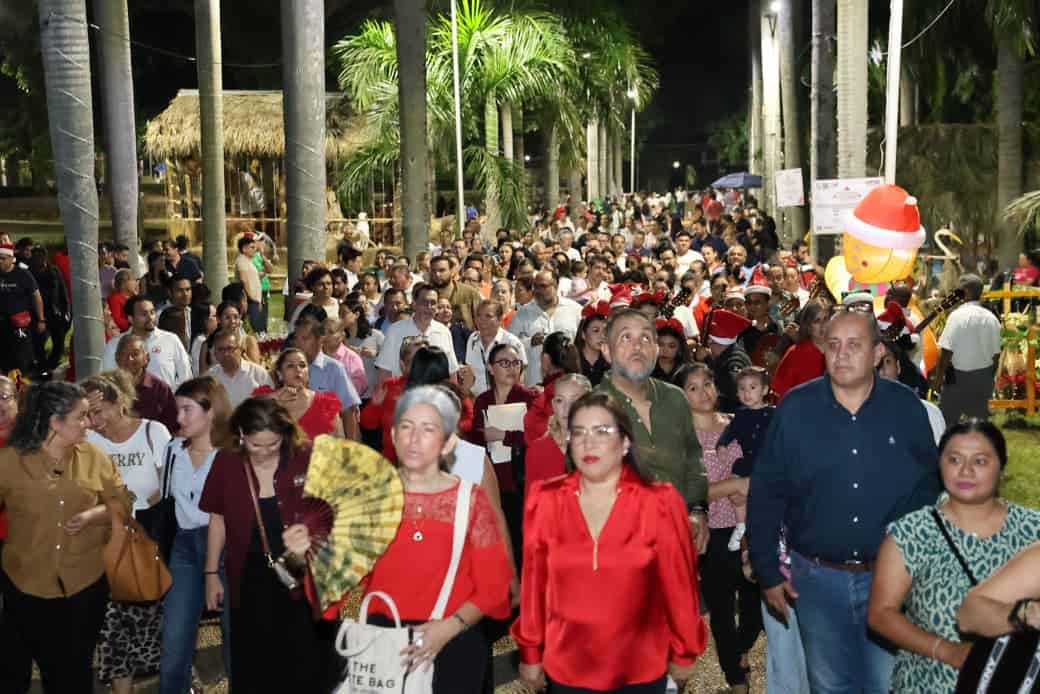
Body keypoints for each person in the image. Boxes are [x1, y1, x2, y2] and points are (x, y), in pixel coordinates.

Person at [748, 310, 942, 693]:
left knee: (888, 683)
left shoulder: (906, 408)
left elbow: (929, 489)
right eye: (833, 344)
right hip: (817, 580)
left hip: (890, 580)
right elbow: (767, 490)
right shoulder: (795, 409)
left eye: (854, 345)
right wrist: (768, 570)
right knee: (830, 685)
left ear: (877, 353)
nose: (841, 354)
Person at [513, 391, 708, 693]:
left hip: (640, 667)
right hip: (568, 667)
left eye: (602, 431)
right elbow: (534, 583)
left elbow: (679, 584)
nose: (588, 443)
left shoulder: (658, 502)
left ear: (625, 442)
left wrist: (685, 650)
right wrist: (530, 650)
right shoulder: (546, 500)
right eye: (579, 432)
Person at [868, 420, 1040, 693]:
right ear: (940, 465)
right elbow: (881, 613)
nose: (966, 470)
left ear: (1002, 469)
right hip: (931, 681)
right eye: (954, 459)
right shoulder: (912, 532)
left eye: (980, 461)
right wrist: (947, 651)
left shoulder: (1033, 529)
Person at [361, 385, 513, 694]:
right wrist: (308, 557)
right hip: (386, 643)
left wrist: (448, 628)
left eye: (428, 429)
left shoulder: (470, 501)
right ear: (393, 435)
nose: (415, 439)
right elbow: (341, 582)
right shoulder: (371, 498)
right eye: (407, 427)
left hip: (454, 641)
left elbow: (494, 586)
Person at [200, 398, 337, 692]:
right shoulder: (227, 461)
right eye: (255, 445)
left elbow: (331, 509)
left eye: (273, 444)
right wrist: (211, 574)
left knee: (305, 656)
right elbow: (217, 518)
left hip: (303, 572)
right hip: (249, 575)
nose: (264, 452)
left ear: (285, 435)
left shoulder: (307, 455)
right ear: (241, 435)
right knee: (257, 657)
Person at [0, 382, 130, 691]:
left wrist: (94, 515)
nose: (89, 423)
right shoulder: (10, 461)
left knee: (73, 674)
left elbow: (123, 504)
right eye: (81, 416)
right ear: (54, 422)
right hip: (26, 586)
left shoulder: (94, 456)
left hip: (84, 587)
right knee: (31, 670)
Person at [82, 372, 172, 694]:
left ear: (119, 402)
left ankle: (180, 680)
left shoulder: (153, 432)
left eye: (98, 411)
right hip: (107, 543)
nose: (94, 421)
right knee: (113, 631)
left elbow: (168, 489)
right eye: (87, 414)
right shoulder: (88, 440)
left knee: (162, 626)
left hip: (149, 543)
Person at [676, 363, 762, 694]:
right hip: (711, 532)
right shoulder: (682, 437)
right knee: (723, 612)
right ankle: (737, 681)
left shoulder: (737, 421)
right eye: (693, 387)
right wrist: (734, 485)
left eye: (707, 383)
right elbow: (687, 491)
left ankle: (740, 651)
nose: (704, 392)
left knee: (755, 606)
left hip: (748, 526)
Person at [594, 309, 710, 552]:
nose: (638, 346)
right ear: (606, 350)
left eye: (646, 338)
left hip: (678, 540)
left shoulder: (675, 398)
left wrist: (697, 510)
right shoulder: (592, 409)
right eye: (626, 337)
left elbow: (693, 457)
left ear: (656, 350)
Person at [158, 376, 232, 694]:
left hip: (229, 549)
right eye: (177, 409)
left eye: (187, 409)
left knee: (235, 642)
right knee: (174, 642)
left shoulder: (232, 453)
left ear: (211, 410)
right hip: (184, 547)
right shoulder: (173, 450)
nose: (179, 418)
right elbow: (164, 499)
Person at [469, 343, 538, 567]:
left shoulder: (530, 398)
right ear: (490, 368)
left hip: (520, 478)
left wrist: (503, 435)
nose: (511, 368)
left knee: (520, 541)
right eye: (504, 363)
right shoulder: (483, 400)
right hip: (492, 478)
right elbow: (474, 438)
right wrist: (483, 434)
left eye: (516, 363)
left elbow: (535, 437)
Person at [717, 366, 775, 551]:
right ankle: (741, 524)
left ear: (764, 390)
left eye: (752, 387)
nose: (747, 393)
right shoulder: (740, 414)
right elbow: (729, 431)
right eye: (742, 388)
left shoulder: (774, 413)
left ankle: (770, 528)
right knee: (734, 487)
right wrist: (722, 445)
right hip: (747, 461)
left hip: (767, 463)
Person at [933, 274, 1001, 424]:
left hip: (957, 379)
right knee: (978, 426)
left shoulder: (957, 316)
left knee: (948, 424)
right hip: (982, 378)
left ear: (965, 292)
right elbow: (996, 355)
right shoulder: (992, 319)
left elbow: (946, 352)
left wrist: (938, 379)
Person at [360, 336, 428, 462]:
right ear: (402, 365)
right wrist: (375, 405)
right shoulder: (390, 387)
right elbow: (367, 424)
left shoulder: (439, 390)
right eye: (415, 361)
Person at [509, 270, 583, 386]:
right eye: (535, 286)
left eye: (543, 286)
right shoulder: (522, 314)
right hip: (534, 385)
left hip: (568, 385)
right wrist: (530, 342)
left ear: (556, 285)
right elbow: (509, 346)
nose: (538, 290)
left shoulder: (575, 310)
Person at [293, 314, 361, 439]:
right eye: (296, 339)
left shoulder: (334, 369)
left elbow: (348, 411)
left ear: (320, 340)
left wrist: (350, 445)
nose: (298, 344)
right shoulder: (289, 368)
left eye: (305, 339)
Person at [103, 296, 194, 389]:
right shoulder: (114, 344)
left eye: (152, 312)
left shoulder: (171, 340)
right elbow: (107, 380)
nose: (150, 317)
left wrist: (173, 395)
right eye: (144, 314)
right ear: (131, 319)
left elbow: (186, 376)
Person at [253, 348, 345, 439]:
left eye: (302, 365)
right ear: (279, 374)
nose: (298, 369)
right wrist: (275, 398)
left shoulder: (326, 403)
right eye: (290, 366)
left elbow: (339, 441)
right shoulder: (266, 399)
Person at [376, 284, 460, 382]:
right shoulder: (395, 330)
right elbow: (384, 371)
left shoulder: (444, 331)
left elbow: (452, 372)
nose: (429, 307)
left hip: (436, 390)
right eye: (424, 302)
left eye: (433, 303)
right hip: (404, 390)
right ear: (414, 304)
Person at [523, 374, 591, 495]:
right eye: (560, 400)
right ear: (553, 405)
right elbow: (532, 502)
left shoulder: (603, 448)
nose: (566, 409)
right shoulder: (538, 450)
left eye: (574, 400)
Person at [878, 340, 946, 444]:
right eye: (873, 364)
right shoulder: (858, 420)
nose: (881, 371)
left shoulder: (929, 413)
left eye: (887, 361)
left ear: (898, 366)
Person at [114, 333, 179, 434]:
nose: (129, 359)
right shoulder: (108, 387)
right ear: (117, 359)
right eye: (124, 354)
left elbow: (173, 428)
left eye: (135, 354)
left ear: (146, 358)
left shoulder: (160, 389)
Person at [464, 299, 526, 397]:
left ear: (500, 319)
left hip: (504, 400)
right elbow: (470, 372)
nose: (481, 321)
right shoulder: (472, 339)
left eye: (488, 316)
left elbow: (519, 378)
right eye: (478, 316)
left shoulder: (512, 342)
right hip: (477, 400)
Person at [0, 242, 45, 376]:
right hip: (2, 325)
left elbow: (37, 297)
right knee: (4, 358)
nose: (0, 261)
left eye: (2, 258)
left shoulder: (23, 274)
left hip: (20, 325)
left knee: (22, 358)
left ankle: (23, 382)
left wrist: (41, 319)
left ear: (11, 258)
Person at [770, 300, 829, 400]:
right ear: (808, 326)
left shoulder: (840, 351)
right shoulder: (795, 353)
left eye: (826, 319)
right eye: (817, 321)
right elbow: (781, 394)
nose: (823, 325)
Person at [28, 245, 70, 374]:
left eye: (42, 255)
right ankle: (42, 368)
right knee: (39, 343)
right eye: (36, 256)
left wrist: (66, 309)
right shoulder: (29, 273)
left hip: (55, 312)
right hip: (38, 314)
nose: (39, 258)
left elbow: (62, 290)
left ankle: (51, 365)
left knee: (59, 343)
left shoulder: (54, 271)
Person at [703, 309, 753, 413]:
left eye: (711, 342)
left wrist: (707, 360)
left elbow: (733, 389)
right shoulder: (726, 355)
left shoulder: (736, 359)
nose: (708, 345)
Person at [208, 330, 274, 407]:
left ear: (239, 350)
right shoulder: (211, 377)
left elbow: (271, 405)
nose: (226, 354)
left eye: (230, 348)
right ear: (215, 353)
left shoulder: (258, 374)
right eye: (221, 349)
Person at [342, 294, 384, 400]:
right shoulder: (339, 339)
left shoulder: (376, 335)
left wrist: (376, 354)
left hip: (372, 395)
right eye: (339, 314)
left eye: (343, 313)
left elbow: (390, 362)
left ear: (356, 314)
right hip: (347, 395)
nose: (340, 317)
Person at [430, 254, 484, 330]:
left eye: (442, 270)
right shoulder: (424, 295)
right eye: (434, 271)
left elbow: (482, 321)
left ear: (451, 271)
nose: (437, 274)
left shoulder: (469, 293)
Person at [322, 317, 369, 398]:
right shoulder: (314, 356)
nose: (325, 336)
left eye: (331, 332)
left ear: (342, 335)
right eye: (323, 332)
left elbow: (361, 386)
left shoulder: (352, 358)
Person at [576, 301, 610, 387]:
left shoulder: (611, 360)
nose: (602, 336)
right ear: (583, 334)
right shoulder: (571, 360)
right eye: (596, 331)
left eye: (605, 331)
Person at [234, 234, 264, 332]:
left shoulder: (248, 261)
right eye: (252, 247)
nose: (255, 249)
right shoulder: (241, 260)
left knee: (256, 329)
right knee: (253, 330)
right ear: (244, 249)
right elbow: (243, 280)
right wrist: (251, 299)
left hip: (254, 301)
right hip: (250, 301)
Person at [651, 317, 690, 383]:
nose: (665, 351)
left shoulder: (687, 372)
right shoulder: (646, 370)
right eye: (660, 345)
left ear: (679, 348)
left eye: (671, 346)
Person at [108, 267, 138, 333]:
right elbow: (116, 319)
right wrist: (134, 325)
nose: (135, 283)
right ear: (123, 283)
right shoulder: (114, 298)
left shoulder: (134, 297)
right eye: (133, 280)